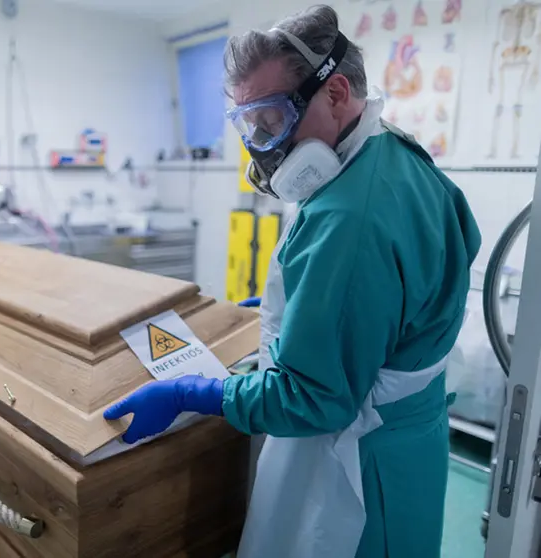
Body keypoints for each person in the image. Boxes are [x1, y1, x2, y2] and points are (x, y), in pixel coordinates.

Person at [103, 6, 480, 558]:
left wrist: (192, 393)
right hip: (410, 443)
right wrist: (311, 305)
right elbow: (441, 262)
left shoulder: (350, 219)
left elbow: (314, 400)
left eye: (273, 119)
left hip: (355, 465)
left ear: (336, 92)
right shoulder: (391, 152)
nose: (262, 144)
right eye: (249, 123)